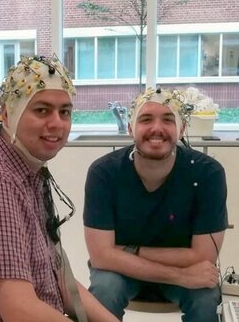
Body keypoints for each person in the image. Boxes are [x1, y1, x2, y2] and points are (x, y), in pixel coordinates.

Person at [0, 55, 119, 322]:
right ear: (8, 114)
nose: (57, 123)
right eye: (42, 110)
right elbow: (20, 312)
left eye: (64, 112)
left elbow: (60, 280)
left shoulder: (30, 175)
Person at [83, 87, 228, 321]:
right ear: (131, 128)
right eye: (146, 119)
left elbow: (204, 256)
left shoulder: (207, 173)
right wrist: (180, 275)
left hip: (171, 270)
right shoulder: (105, 172)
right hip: (124, 274)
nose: (157, 128)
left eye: (168, 120)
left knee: (205, 295)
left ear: (182, 129)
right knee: (105, 288)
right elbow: (101, 257)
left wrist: (128, 251)